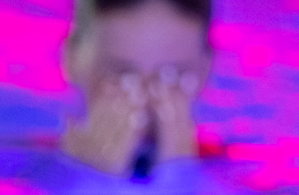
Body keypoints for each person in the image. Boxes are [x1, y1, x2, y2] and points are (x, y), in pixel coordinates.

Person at [61, 0, 213, 178]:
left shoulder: (231, 176)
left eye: (170, 77)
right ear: (73, 60)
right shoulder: (28, 174)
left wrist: (178, 178)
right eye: (123, 76)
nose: (145, 101)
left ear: (205, 70)